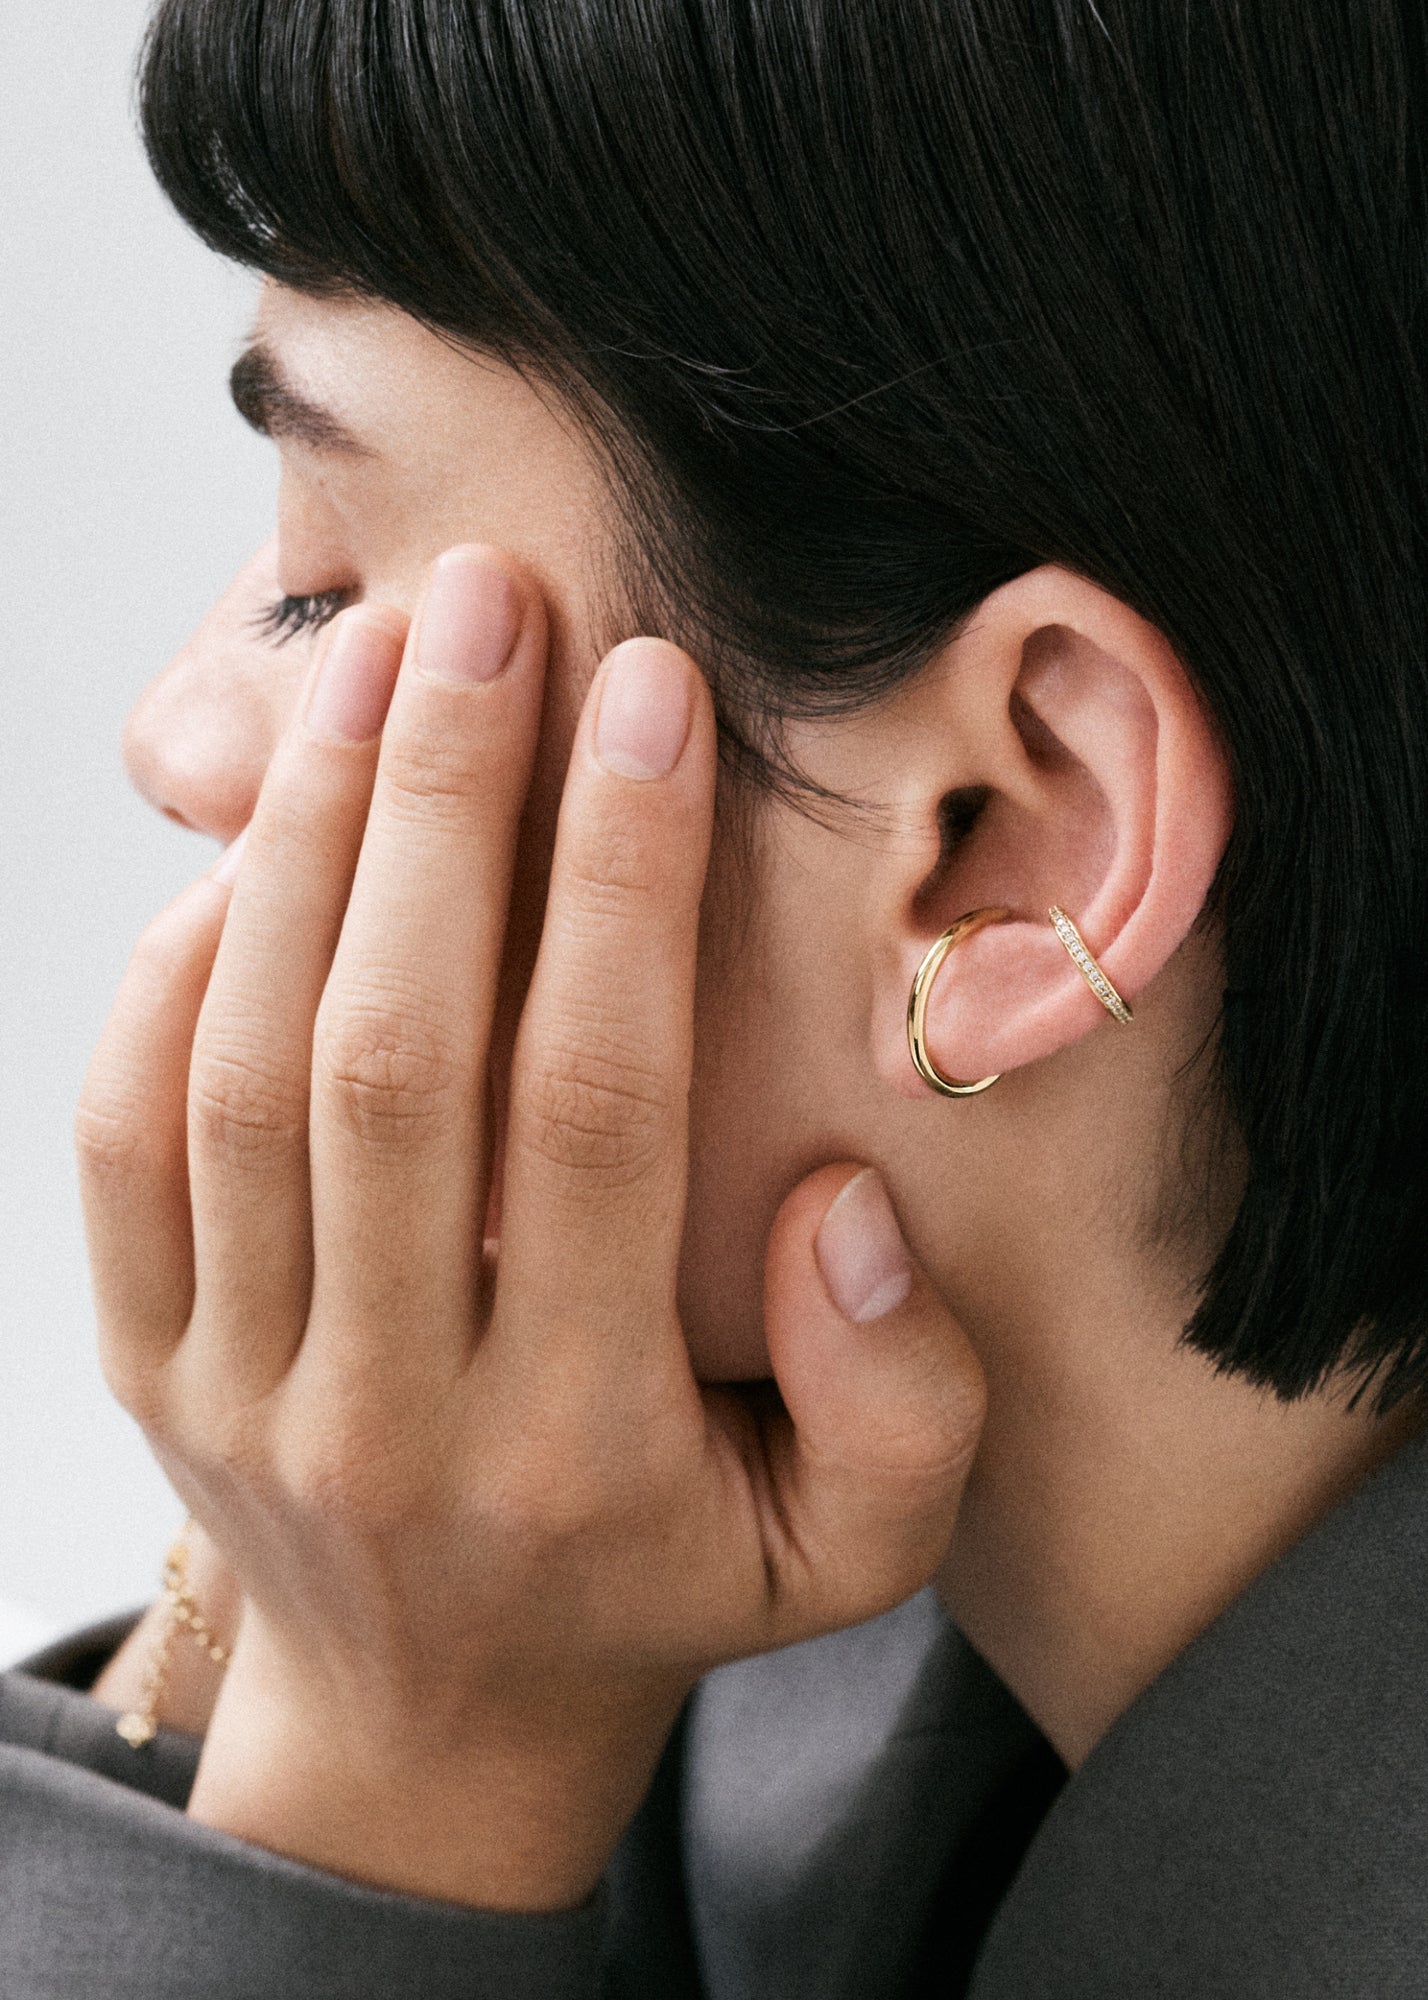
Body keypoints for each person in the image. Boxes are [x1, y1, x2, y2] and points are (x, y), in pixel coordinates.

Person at [4, 0, 1428, 1992]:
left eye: (325, 579)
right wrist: (307, 1578)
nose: (175, 735)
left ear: (1014, 837)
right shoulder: (738, 1735)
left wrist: (397, 1770)